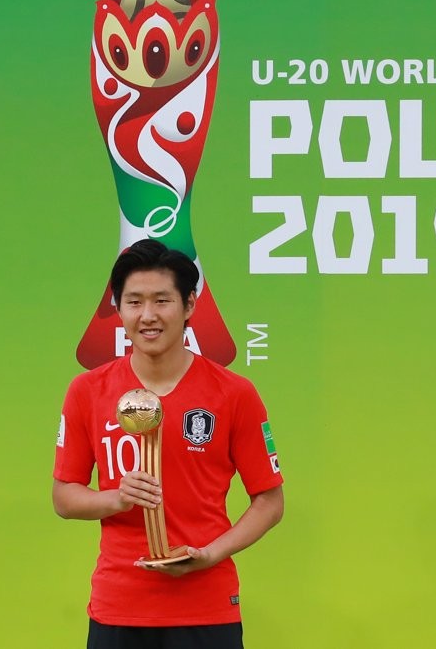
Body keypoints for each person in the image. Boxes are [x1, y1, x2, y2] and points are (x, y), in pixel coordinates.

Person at [53, 239, 284, 649]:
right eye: (134, 302)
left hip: (206, 607)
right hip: (119, 607)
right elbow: (64, 497)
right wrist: (117, 498)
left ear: (189, 304)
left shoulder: (234, 393)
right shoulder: (87, 391)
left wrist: (210, 554)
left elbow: (270, 501)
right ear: (118, 308)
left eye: (162, 300)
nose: (147, 315)